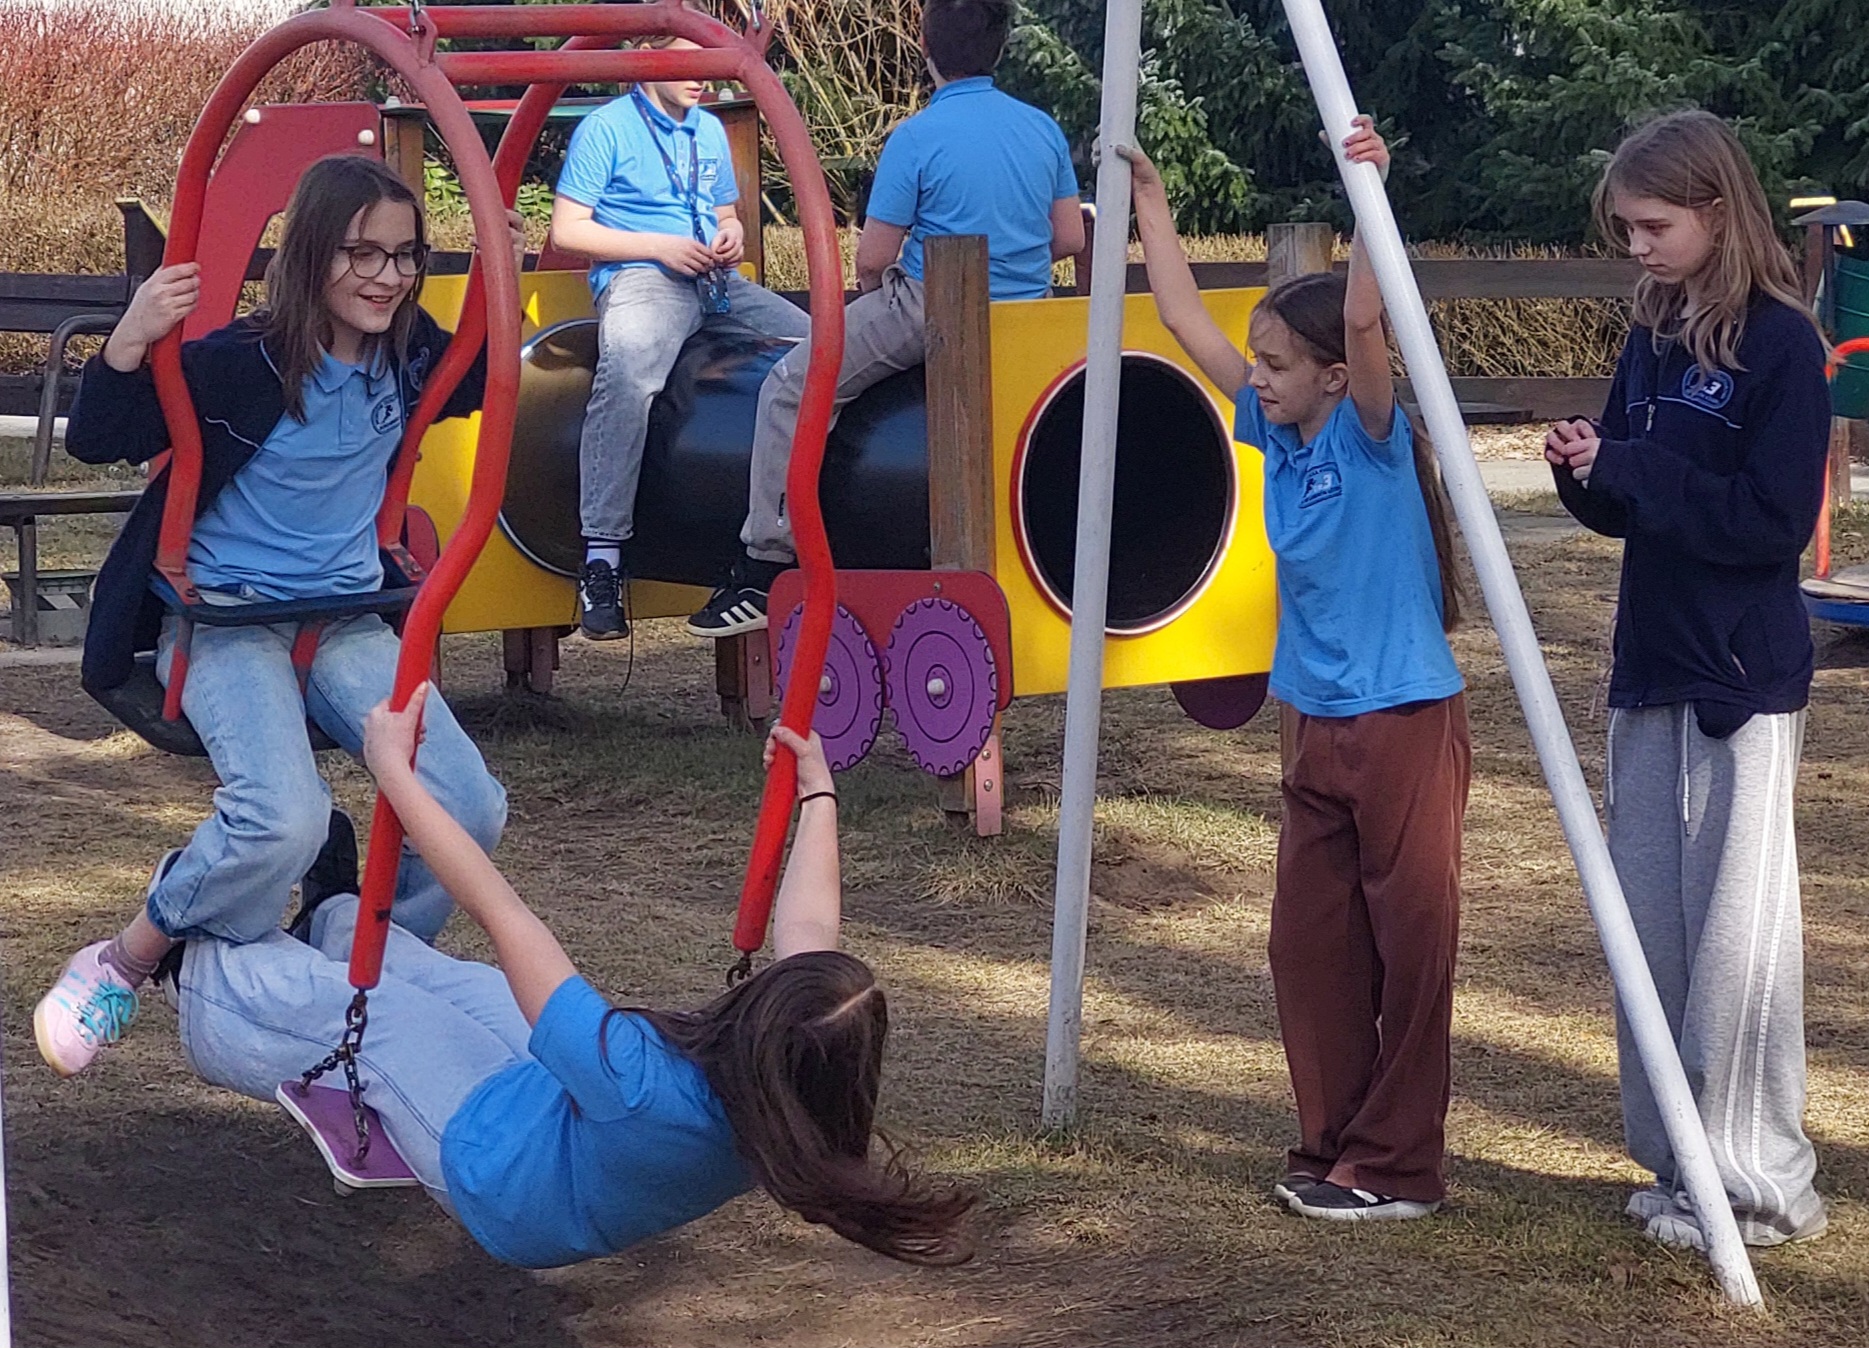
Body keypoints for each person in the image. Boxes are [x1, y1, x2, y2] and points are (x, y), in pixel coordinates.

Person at [166, 692, 976, 1269]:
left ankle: (198, 973)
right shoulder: (789, 1117)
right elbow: (810, 935)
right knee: (457, 984)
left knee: (382, 1017)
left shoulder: (643, 1084)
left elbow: (502, 910)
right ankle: (336, 917)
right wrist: (818, 792)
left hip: (496, 1176)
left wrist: (394, 774)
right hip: (555, 1128)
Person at [33, 154, 518, 1079]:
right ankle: (129, 957)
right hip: (230, 620)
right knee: (281, 822)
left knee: (469, 806)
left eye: (405, 255)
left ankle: (359, 934)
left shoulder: (409, 353)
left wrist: (507, 266)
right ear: (311, 257)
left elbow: (482, 375)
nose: (387, 276)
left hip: (343, 619)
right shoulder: (241, 365)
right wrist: (132, 336)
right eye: (361, 254)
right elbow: (100, 437)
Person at [1123, 120, 1469, 1221]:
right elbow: (1183, 318)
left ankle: (1398, 1168)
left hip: (1403, 717)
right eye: (1258, 364)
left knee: (1410, 947)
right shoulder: (1279, 435)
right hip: (1315, 719)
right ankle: (1331, 1145)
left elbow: (1366, 316)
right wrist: (1150, 205)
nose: (1258, 378)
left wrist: (1370, 188)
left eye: (1276, 366)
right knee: (1307, 943)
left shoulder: (1368, 431)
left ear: (1331, 376)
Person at [1546, 109, 1831, 1250]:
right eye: (1625, 228)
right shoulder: (1654, 332)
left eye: (1653, 225)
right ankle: (1679, 1165)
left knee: (1733, 949)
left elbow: (1769, 522)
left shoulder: (1784, 347)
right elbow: (1633, 504)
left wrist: (1635, 467)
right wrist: (1585, 471)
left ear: (1716, 209)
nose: (1638, 247)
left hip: (1738, 683)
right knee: (1651, 936)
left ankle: (1759, 1184)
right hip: (1649, 667)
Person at [686, 0, 1084, 637]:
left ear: (925, 50)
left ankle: (765, 563)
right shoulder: (1042, 129)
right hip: (1023, 319)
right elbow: (1068, 238)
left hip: (931, 307)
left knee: (790, 385)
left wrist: (878, 297)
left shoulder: (917, 136)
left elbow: (873, 258)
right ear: (1001, 49)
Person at [552, 34, 811, 641]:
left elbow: (725, 216)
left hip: (715, 282)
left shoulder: (708, 129)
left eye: (709, 66)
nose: (703, 79)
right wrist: (660, 248)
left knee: (823, 348)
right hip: (645, 276)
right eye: (690, 63)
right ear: (648, 54)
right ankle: (602, 558)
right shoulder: (605, 128)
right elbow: (568, 229)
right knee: (629, 374)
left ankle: (784, 537)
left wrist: (732, 236)